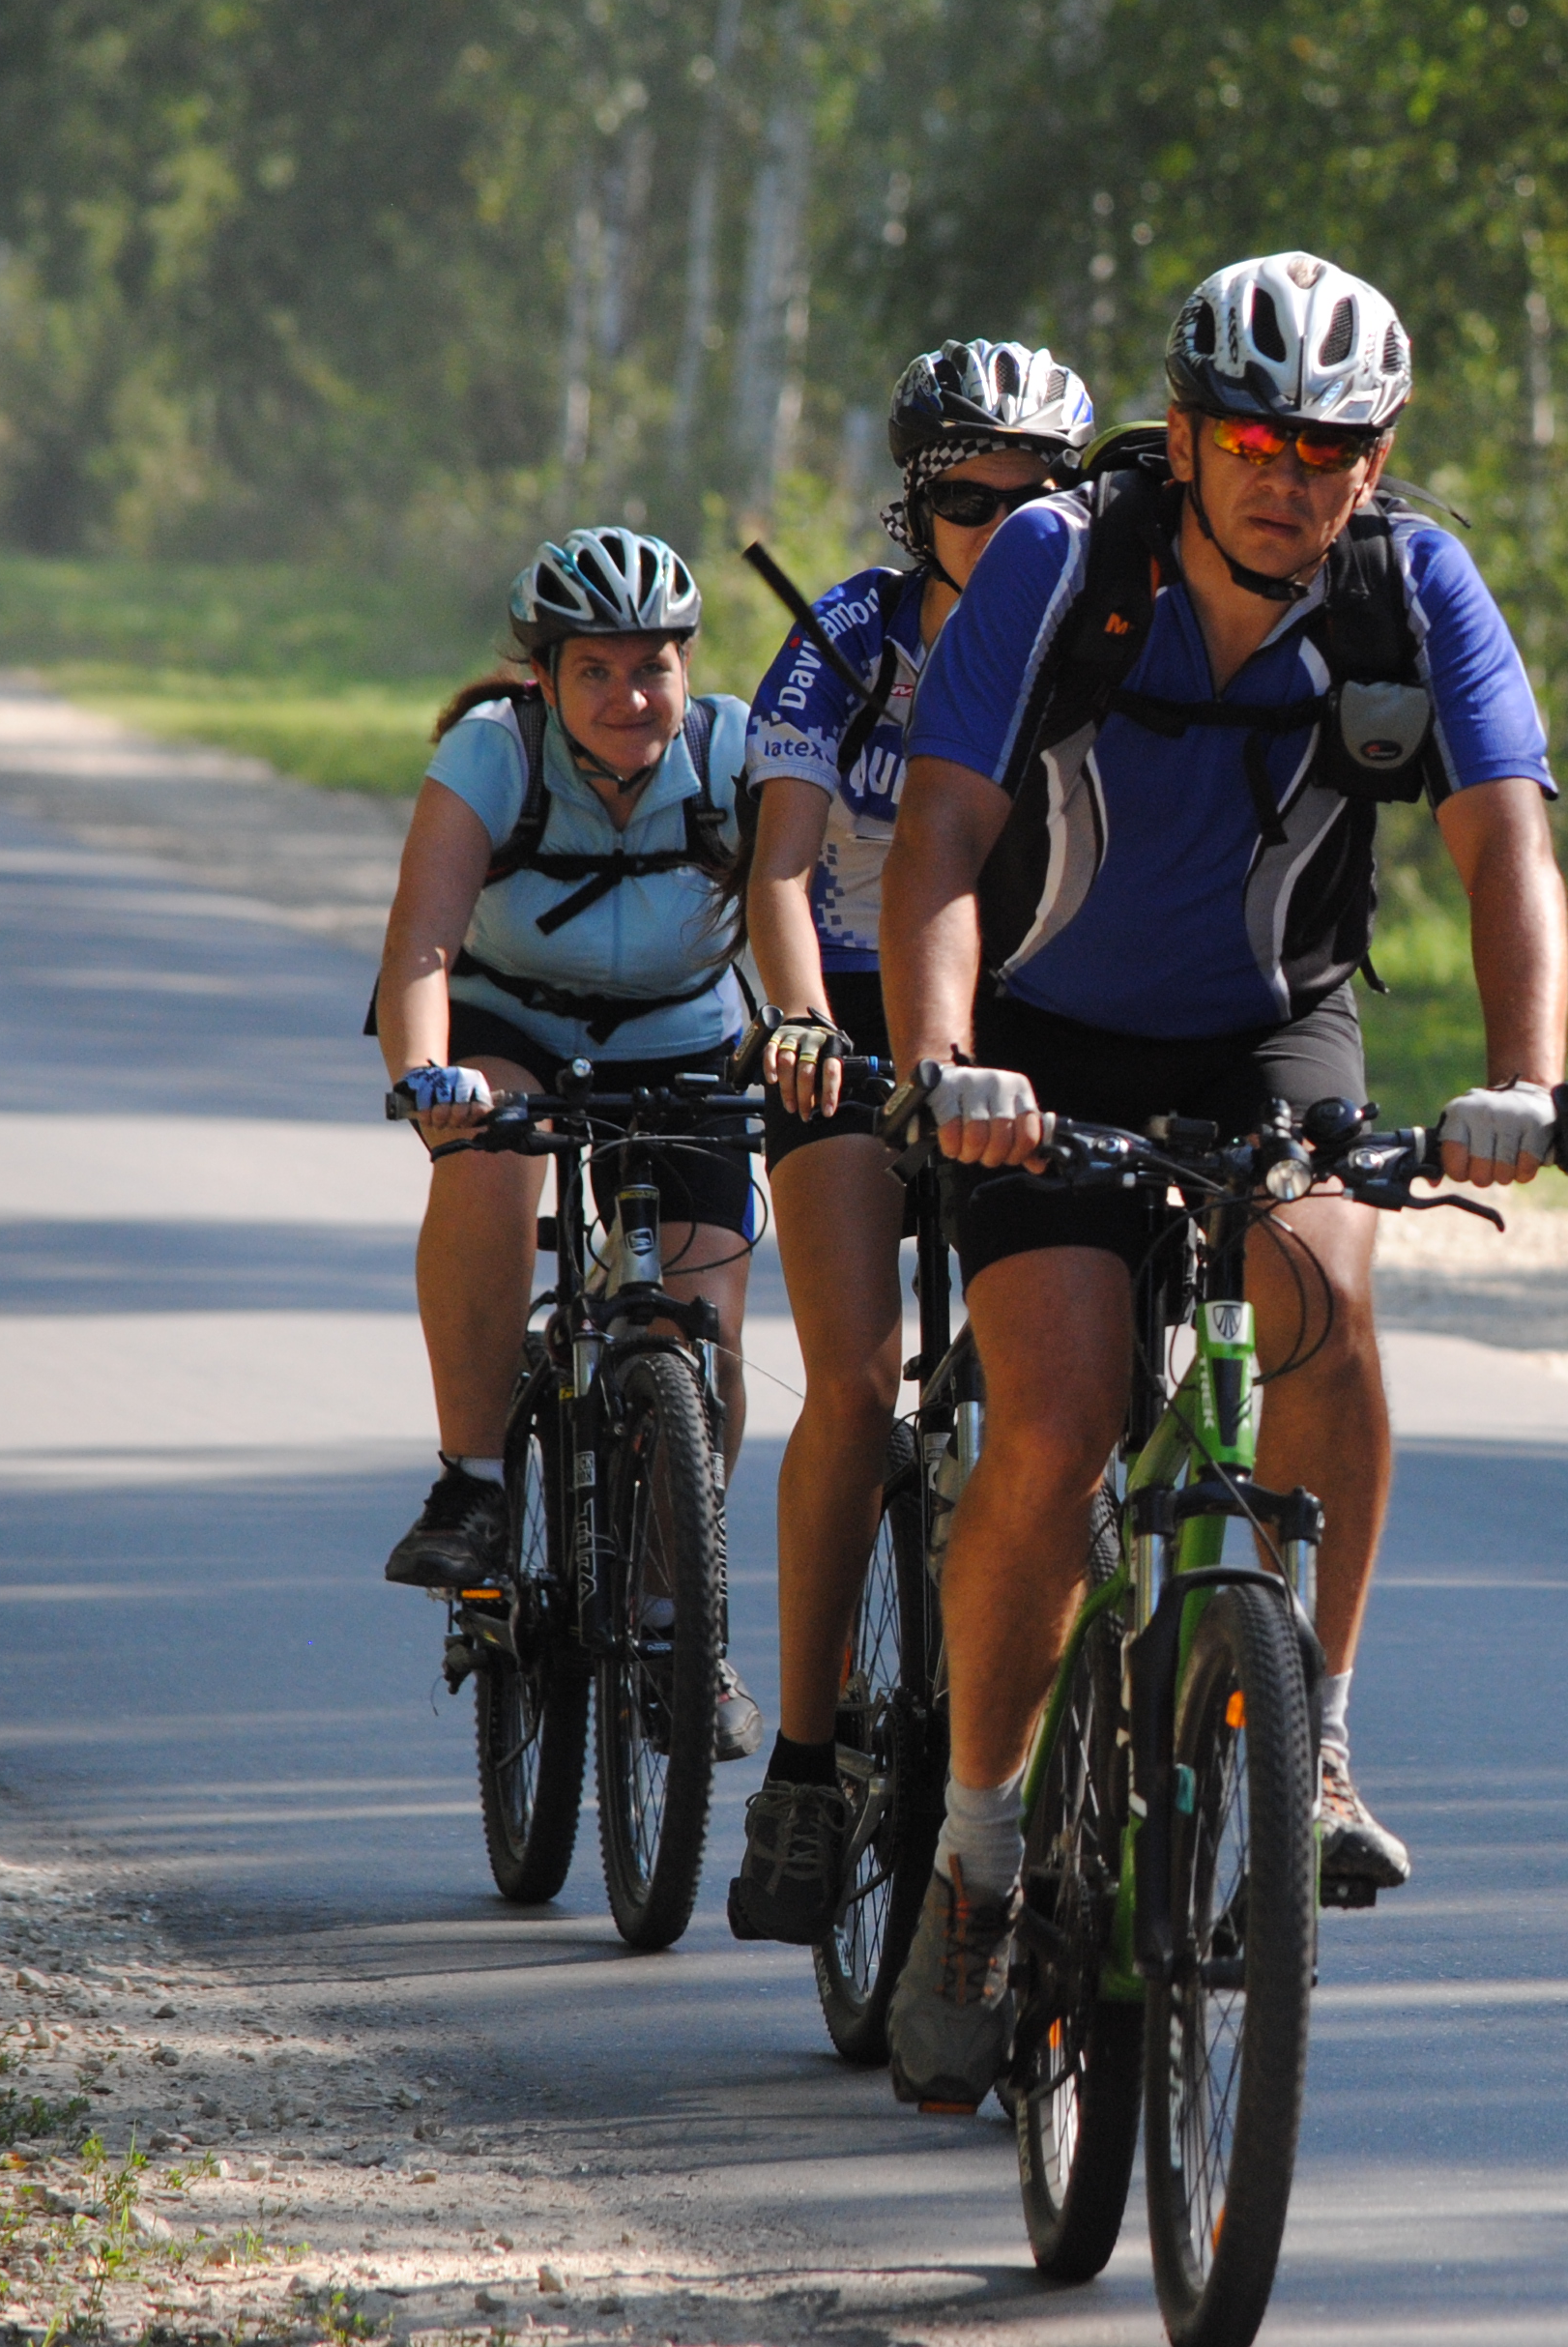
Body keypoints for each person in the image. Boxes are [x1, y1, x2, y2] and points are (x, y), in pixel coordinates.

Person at [874, 251, 1568, 2107]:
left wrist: (1524, 1078)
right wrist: (944, 1063)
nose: (1289, 475)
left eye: (1328, 447)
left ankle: (1313, 1732)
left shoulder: (1411, 586)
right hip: (1039, 1043)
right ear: (1182, 438)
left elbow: (1506, 845)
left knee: (1328, 1299)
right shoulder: (1057, 561)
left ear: (1376, 456)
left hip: (1275, 1028)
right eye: (1254, 440)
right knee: (1056, 1418)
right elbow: (940, 832)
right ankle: (976, 1850)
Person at [723, 342, 1095, 1946]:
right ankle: (807, 1760)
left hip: (1022, 1016)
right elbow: (780, 869)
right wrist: (802, 1025)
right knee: (859, 1381)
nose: (1002, 528)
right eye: (969, 500)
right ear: (913, 505)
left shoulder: (1099, 636)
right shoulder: (850, 639)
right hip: (853, 1014)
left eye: (1040, 498)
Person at [373, 524, 765, 1759]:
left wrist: (813, 1042)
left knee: (704, 1331)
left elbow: (798, 911)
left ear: (688, 669)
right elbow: (421, 943)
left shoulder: (734, 754)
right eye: (594, 670)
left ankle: (674, 1620)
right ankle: (474, 1484)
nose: (628, 696)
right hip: (512, 1024)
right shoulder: (492, 753)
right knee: (492, 1166)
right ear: (543, 676)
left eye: (653, 667)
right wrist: (427, 1077)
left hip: (683, 1035)